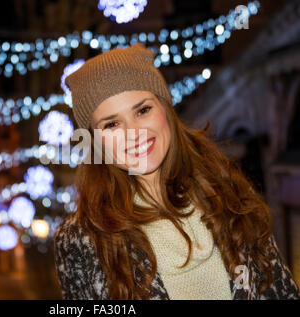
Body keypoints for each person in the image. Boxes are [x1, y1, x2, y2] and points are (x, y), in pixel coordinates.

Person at [53, 43, 300, 300]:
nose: (134, 133)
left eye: (143, 110)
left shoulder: (232, 195)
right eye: (112, 124)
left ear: (166, 109)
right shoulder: (80, 240)